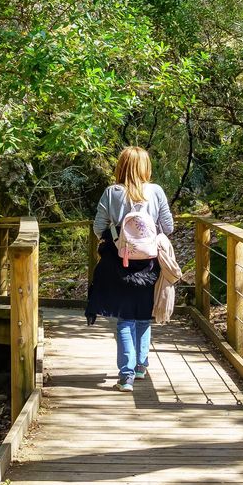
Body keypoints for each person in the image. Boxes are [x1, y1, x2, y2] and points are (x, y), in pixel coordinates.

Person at [85, 146, 174, 392]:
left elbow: (97, 227)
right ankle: (140, 366)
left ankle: (126, 377)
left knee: (125, 319)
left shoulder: (111, 193)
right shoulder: (156, 192)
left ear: (121, 166)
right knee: (144, 317)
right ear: (146, 167)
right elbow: (168, 226)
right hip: (149, 262)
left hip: (118, 262)